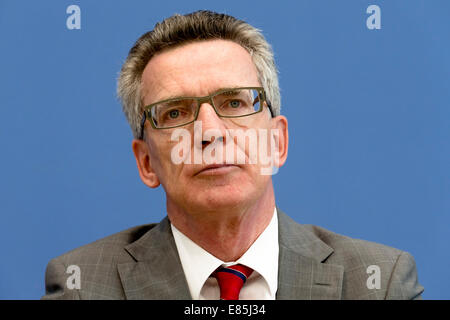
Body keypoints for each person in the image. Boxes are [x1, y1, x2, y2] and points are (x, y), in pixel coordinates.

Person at [42, 10, 424, 300]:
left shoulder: (378, 283)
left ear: (277, 142)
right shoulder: (83, 286)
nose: (209, 132)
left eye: (234, 102)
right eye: (175, 112)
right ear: (145, 162)